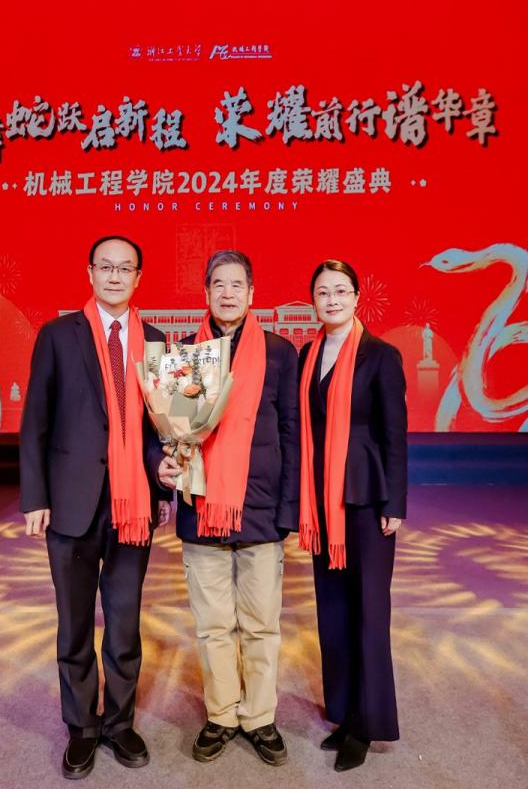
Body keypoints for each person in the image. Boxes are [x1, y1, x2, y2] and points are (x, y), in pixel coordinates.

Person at [20, 236, 171, 779]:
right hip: (71, 501)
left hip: (133, 505)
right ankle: (81, 727)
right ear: (89, 272)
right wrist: (36, 496)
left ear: (138, 277)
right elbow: (36, 420)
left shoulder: (155, 342)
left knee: (125, 624)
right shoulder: (58, 335)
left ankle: (119, 723)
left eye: (125, 268)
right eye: (105, 267)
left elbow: (159, 428)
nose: (114, 276)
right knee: (75, 623)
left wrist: (161, 479)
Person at [158, 250, 299, 766]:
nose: (228, 293)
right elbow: (176, 435)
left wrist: (288, 510)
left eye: (237, 284)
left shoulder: (280, 353)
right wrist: (171, 466)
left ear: (252, 293)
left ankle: (259, 717)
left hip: (261, 508)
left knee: (261, 624)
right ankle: (221, 714)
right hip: (203, 509)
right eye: (219, 284)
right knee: (213, 624)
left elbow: (292, 434)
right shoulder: (187, 353)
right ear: (207, 292)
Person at [298, 260, 407, 772]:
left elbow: (394, 434)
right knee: (334, 611)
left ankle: (367, 722)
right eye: (323, 292)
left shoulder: (381, 355)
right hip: (322, 500)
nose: (332, 300)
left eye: (341, 291)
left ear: (357, 297)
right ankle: (342, 712)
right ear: (313, 301)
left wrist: (395, 503)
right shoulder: (308, 354)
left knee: (368, 611)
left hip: (366, 498)